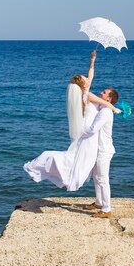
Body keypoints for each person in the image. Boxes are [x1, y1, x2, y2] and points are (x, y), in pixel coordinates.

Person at [23, 51, 120, 190]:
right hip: (90, 135)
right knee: (79, 160)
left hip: (90, 135)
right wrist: (115, 109)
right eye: (84, 78)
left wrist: (92, 60)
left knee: (80, 160)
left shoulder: (84, 92)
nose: (87, 78)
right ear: (83, 84)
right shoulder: (87, 94)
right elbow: (105, 103)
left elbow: (91, 75)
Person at [82, 87, 118, 218]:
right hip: (98, 149)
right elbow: (88, 95)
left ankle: (106, 208)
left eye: (104, 93)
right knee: (97, 178)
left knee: (103, 179)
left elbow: (93, 129)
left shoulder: (106, 112)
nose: (101, 93)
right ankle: (99, 202)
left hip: (104, 150)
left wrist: (80, 131)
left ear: (108, 99)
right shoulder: (102, 108)